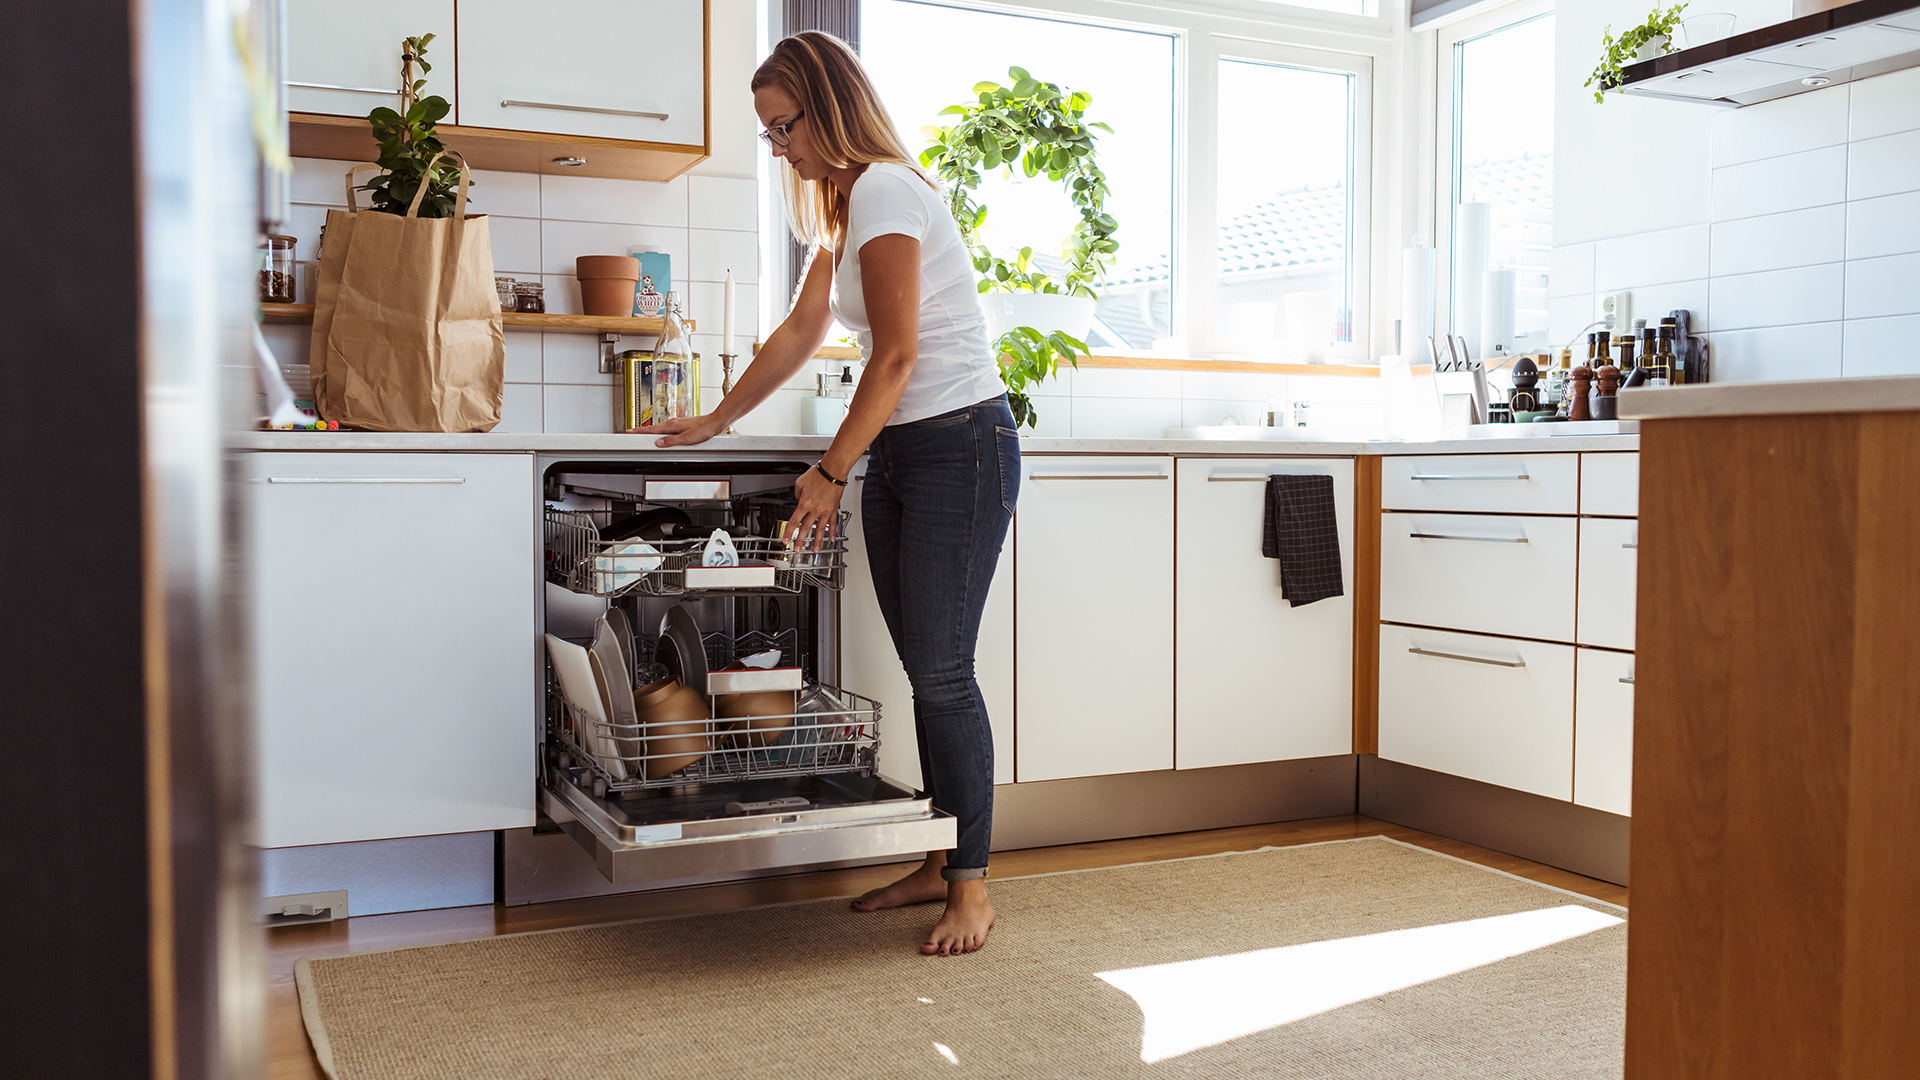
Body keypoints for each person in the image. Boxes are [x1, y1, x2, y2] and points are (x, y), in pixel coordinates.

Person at [634, 30, 1017, 957]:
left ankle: (971, 888)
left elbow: (896, 355)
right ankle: (939, 859)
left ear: (828, 105)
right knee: (932, 670)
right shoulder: (844, 211)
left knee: (944, 674)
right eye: (769, 135)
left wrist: (832, 470)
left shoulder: (887, 187)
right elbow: (801, 333)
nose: (781, 149)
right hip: (907, 452)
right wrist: (715, 420)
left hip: (960, 446)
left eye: (783, 127)